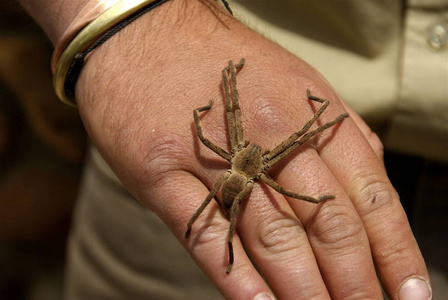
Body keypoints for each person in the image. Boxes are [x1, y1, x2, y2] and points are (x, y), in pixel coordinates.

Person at [17, 0, 443, 299]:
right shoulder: (256, 166)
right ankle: (222, 247)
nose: (256, 151)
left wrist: (317, 148)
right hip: (168, 186)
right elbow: (230, 134)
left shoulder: (237, 150)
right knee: (239, 199)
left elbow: (218, 133)